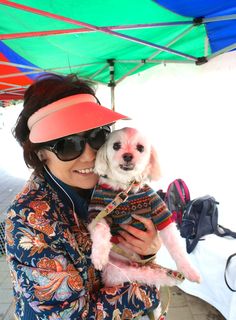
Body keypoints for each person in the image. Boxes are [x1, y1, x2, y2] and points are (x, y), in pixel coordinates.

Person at [5, 73, 162, 320]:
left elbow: (138, 245)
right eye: (68, 144)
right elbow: (71, 315)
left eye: (98, 137)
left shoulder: (115, 183)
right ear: (41, 154)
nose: (90, 155)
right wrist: (150, 288)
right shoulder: (28, 220)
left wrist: (149, 250)